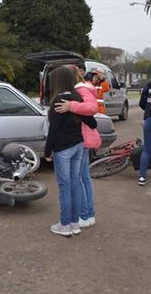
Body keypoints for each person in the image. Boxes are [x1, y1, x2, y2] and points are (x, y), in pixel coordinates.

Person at [54, 67, 99, 230]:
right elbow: (91, 119)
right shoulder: (82, 88)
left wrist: (71, 106)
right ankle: (88, 214)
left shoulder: (80, 89)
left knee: (79, 179)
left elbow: (92, 109)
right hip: (83, 140)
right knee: (83, 178)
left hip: (81, 140)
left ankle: (85, 214)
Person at [44, 66, 84, 237]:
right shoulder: (77, 98)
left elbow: (54, 130)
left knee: (65, 187)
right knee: (75, 184)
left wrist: (47, 151)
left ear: (57, 81)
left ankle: (65, 225)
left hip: (63, 149)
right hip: (78, 145)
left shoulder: (58, 101)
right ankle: (75, 223)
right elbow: (87, 119)